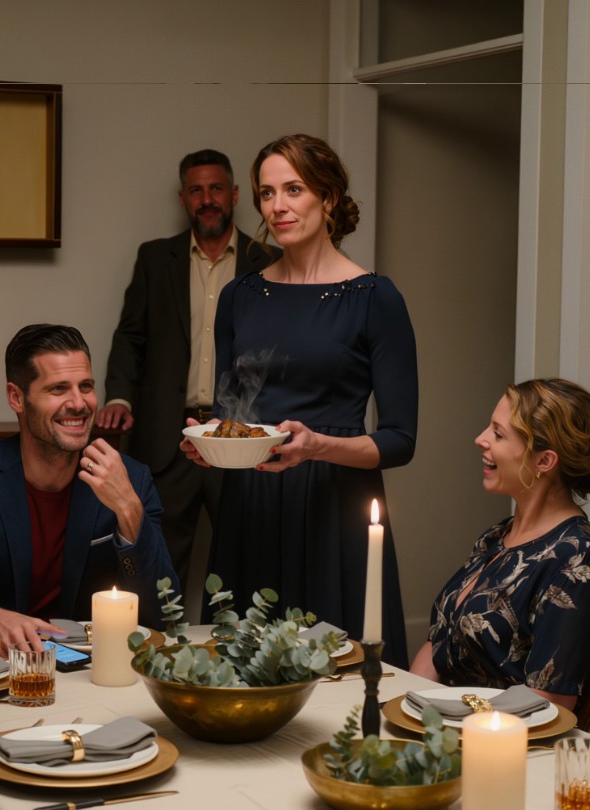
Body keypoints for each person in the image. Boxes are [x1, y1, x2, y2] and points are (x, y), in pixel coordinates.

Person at [183, 133, 418, 667]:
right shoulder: (240, 296)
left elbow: (400, 440)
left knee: (336, 674)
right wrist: (211, 445)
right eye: (267, 194)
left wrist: (317, 446)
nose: (278, 206)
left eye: (294, 189)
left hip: (334, 506)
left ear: (328, 197)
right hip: (251, 506)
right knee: (242, 671)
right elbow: (230, 412)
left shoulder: (374, 298)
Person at [0, 324, 178, 658]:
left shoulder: (130, 479)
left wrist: (128, 510)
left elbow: (164, 614)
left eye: (86, 386)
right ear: (16, 397)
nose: (78, 403)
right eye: (58, 389)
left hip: (92, 671)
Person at [97, 149, 279, 592]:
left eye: (216, 188)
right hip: (169, 441)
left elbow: (280, 351)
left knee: (246, 560)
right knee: (157, 564)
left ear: (235, 194)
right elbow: (130, 336)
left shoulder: (270, 261)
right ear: (183, 199)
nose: (207, 199)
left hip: (237, 440)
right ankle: (154, 638)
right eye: (196, 190)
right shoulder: (155, 258)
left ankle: (240, 638)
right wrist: (119, 397)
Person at [410, 378, 590, 710]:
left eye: (498, 434)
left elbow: (551, 703)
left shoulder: (575, 558)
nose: (480, 439)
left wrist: (455, 724)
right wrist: (407, 708)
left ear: (544, 461)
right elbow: (440, 643)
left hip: (502, 736)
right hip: (442, 724)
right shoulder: (497, 536)